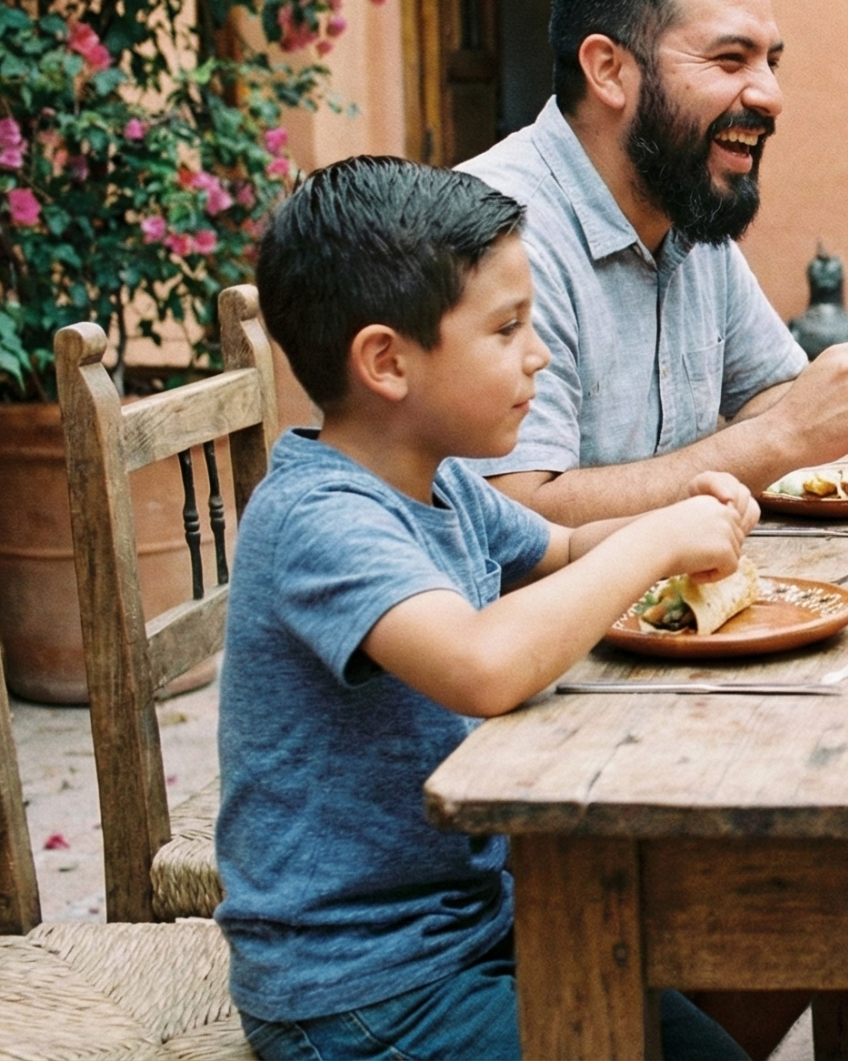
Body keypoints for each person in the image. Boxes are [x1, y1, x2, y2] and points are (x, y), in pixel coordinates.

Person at [218, 157, 764, 1061]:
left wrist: (676, 518)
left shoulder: (441, 486)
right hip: (363, 994)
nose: (537, 353)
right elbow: (480, 666)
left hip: (476, 932)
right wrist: (656, 544)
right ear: (387, 361)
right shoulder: (321, 519)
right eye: (507, 328)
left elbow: (560, 552)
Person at [461, 0, 848, 527]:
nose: (770, 94)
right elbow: (512, 515)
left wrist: (806, 419)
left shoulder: (683, 197)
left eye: (770, 62)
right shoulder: (496, 230)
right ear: (609, 70)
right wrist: (780, 439)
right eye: (730, 60)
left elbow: (770, 395)